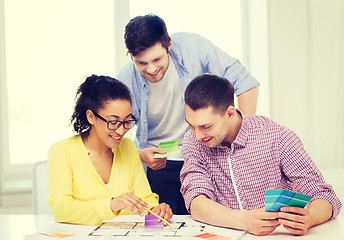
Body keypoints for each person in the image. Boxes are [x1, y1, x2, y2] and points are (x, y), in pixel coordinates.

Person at [116, 14, 260, 215]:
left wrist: (239, 140)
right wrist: (140, 156)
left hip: (204, 156)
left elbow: (246, 83)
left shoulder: (193, 48)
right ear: (130, 56)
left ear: (169, 45)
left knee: (210, 222)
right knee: (161, 226)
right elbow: (112, 135)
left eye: (157, 59)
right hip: (158, 165)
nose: (151, 69)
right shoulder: (125, 80)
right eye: (141, 63)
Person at [180, 73, 342, 236]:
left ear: (230, 114)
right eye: (192, 125)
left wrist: (311, 217)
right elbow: (196, 202)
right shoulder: (193, 142)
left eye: (205, 126)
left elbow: (325, 197)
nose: (198, 135)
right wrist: (244, 221)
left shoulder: (277, 137)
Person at [47, 75, 172, 225]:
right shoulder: (62, 152)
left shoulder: (128, 147)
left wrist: (155, 209)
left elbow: (144, 196)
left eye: (127, 121)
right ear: (91, 116)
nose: (121, 131)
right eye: (113, 122)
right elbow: (62, 210)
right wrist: (111, 205)